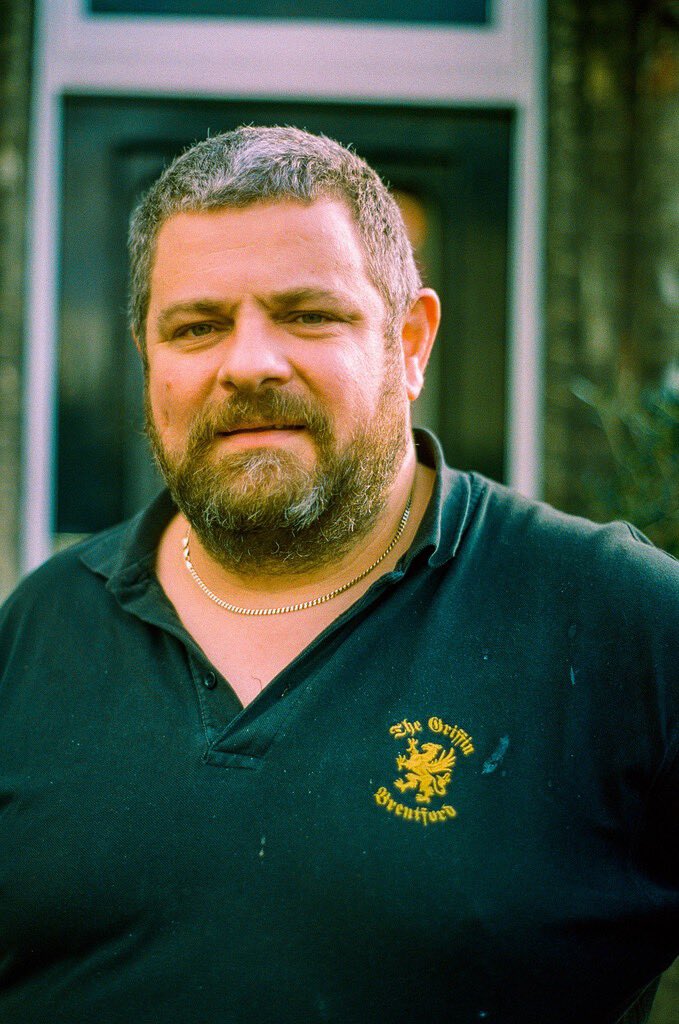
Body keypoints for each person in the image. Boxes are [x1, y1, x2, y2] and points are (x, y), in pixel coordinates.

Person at [0, 126, 677, 1024]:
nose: (248, 364)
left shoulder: (619, 622)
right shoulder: (38, 629)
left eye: (308, 314)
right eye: (197, 327)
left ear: (411, 341)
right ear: (147, 358)